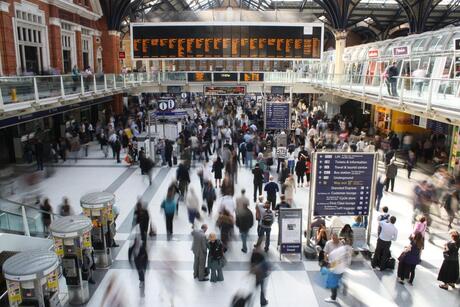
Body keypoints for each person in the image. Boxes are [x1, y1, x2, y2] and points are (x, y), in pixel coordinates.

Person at [250, 242, 270, 306]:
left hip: (257, 274)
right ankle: (263, 302)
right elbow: (265, 265)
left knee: (256, 288)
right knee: (262, 289)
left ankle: (251, 301)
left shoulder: (253, 254)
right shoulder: (261, 255)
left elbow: (251, 263)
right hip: (262, 274)